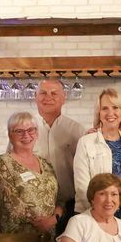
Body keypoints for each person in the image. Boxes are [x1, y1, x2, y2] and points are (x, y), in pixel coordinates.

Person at [0, 112, 62, 241]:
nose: (26, 135)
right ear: (10, 135)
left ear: (37, 133)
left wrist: (53, 219)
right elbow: (9, 204)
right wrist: (42, 223)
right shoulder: (3, 163)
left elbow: (60, 199)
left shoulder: (46, 164)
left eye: (31, 130)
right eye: (19, 131)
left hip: (48, 239)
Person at [73, 88, 121, 215]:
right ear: (99, 113)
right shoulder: (85, 143)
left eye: (115, 107)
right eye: (105, 108)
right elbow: (82, 187)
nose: (110, 113)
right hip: (91, 215)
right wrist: (100, 216)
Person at [33, 80, 86, 212]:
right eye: (43, 93)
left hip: (71, 205)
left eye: (54, 93)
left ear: (64, 98)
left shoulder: (77, 130)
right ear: (35, 97)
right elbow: (13, 162)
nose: (48, 97)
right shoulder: (25, 129)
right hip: (35, 205)